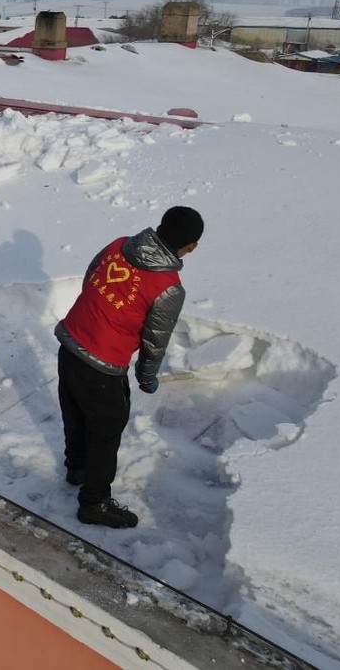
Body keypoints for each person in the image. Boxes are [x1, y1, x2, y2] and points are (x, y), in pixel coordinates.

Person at [54, 206, 203, 529]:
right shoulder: (168, 286)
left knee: (75, 410)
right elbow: (155, 340)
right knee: (106, 430)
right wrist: (146, 377)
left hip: (70, 340)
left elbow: (90, 279)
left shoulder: (118, 245)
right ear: (190, 246)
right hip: (102, 363)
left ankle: (77, 468)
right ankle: (94, 502)